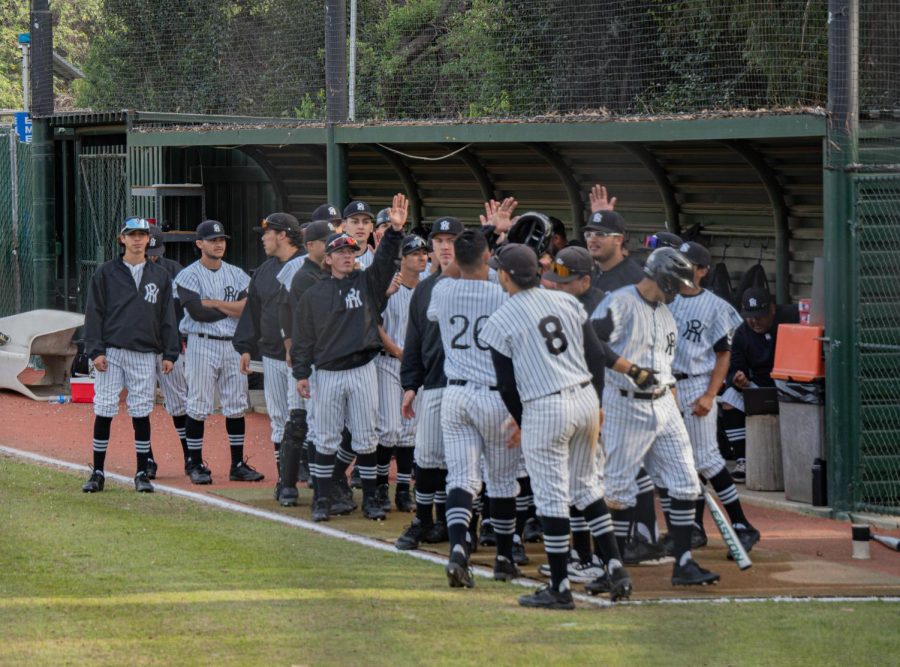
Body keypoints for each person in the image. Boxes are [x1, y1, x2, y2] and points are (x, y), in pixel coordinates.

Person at [481, 243, 634, 609]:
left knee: (552, 497)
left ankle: (560, 588)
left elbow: (506, 384)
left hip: (545, 407)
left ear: (504, 275)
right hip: (583, 397)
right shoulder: (565, 300)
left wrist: (523, 421)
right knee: (586, 487)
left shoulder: (501, 318)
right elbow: (596, 354)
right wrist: (595, 402)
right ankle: (615, 568)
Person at [591, 247, 720, 586]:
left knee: (685, 482)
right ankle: (611, 568)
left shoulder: (665, 312)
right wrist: (630, 369)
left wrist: (672, 394)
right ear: (661, 277)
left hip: (664, 401)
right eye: (674, 284)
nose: (677, 291)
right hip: (625, 403)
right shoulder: (619, 302)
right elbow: (592, 342)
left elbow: (664, 362)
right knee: (618, 490)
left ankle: (684, 564)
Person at [294, 194, 408, 522]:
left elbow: (385, 262)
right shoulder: (314, 293)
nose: (347, 256)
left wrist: (396, 233)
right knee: (326, 437)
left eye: (350, 251)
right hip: (327, 372)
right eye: (340, 252)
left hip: (362, 369)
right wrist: (301, 372)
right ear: (327, 258)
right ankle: (322, 499)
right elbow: (303, 338)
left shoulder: (367, 282)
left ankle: (373, 499)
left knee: (366, 436)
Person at [425, 229, 522, 588]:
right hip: (495, 397)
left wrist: (477, 245)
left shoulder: (444, 289)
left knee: (462, 479)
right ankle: (503, 559)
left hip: (455, 395)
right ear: (487, 259)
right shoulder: (502, 293)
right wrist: (492, 242)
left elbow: (451, 273)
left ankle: (457, 552)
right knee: (501, 481)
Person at [668, 242, 760, 554]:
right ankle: (693, 526)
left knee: (705, 458)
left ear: (703, 270)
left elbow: (725, 353)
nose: (682, 268)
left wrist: (710, 394)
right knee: (679, 463)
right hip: (666, 386)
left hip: (696, 384)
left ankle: (741, 524)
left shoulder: (714, 306)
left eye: (690, 264)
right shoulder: (664, 299)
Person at [81, 217, 180, 494]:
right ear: (121, 238)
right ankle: (98, 471)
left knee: (140, 410)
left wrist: (170, 352)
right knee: (104, 408)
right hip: (111, 351)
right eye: (132, 234)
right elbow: (94, 313)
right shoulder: (105, 272)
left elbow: (167, 317)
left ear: (149, 239)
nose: (138, 240)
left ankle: (141, 472)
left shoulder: (160, 276)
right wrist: (95, 350)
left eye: (142, 235)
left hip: (144, 352)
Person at [394, 215, 464, 550]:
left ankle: (466, 527)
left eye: (451, 241)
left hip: (473, 386)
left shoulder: (484, 282)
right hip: (435, 382)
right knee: (427, 456)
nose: (445, 247)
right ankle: (425, 519)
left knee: (465, 462)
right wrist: (411, 384)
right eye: (439, 241)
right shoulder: (424, 289)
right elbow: (416, 339)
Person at [174, 220, 262, 485]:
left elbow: (249, 309)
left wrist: (213, 302)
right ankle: (195, 462)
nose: (219, 244)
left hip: (232, 344)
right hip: (201, 343)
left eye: (222, 239)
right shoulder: (188, 274)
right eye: (212, 240)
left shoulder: (236, 273)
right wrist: (231, 306)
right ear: (199, 244)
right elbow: (197, 313)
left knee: (236, 406)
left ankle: (237, 464)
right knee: (199, 404)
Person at [233, 213, 306, 505]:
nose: (263, 238)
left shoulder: (307, 265)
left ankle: (318, 475)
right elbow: (254, 310)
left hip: (305, 360)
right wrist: (245, 346)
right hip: (274, 356)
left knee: (308, 418)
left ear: (283, 235)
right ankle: (284, 479)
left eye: (267, 233)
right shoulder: (264, 271)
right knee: (279, 417)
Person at [720, 287, 800, 481]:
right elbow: (735, 367)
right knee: (728, 398)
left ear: (772, 309)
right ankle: (743, 461)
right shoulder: (741, 333)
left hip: (792, 383)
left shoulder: (790, 315)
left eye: (760, 315)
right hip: (761, 387)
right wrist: (739, 380)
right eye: (750, 316)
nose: (754, 321)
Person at [374, 234, 429, 513]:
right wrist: (395, 349)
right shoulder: (389, 285)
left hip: (415, 367)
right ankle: (382, 487)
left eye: (424, 253)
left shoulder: (427, 288)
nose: (422, 257)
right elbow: (373, 322)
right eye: (416, 253)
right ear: (403, 259)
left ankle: (403, 490)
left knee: (410, 432)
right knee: (389, 429)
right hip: (388, 362)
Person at [285, 220, 337, 507]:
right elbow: (290, 316)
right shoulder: (304, 276)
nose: (331, 244)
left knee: (320, 424)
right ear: (311, 246)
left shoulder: (331, 273)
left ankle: (323, 480)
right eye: (326, 240)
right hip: (305, 357)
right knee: (299, 421)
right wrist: (291, 348)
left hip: (325, 359)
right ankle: (287, 484)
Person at [145, 224, 190, 478]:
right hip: (139, 348)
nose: (151, 256)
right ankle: (147, 458)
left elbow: (182, 309)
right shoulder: (125, 272)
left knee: (179, 402)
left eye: (155, 251)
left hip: (169, 345)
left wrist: (180, 339)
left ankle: (190, 456)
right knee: (142, 404)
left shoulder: (174, 270)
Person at [343, 200, 376, 269]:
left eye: (366, 222)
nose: (361, 227)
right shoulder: (334, 257)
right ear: (344, 226)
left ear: (371, 227)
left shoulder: (376, 257)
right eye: (355, 222)